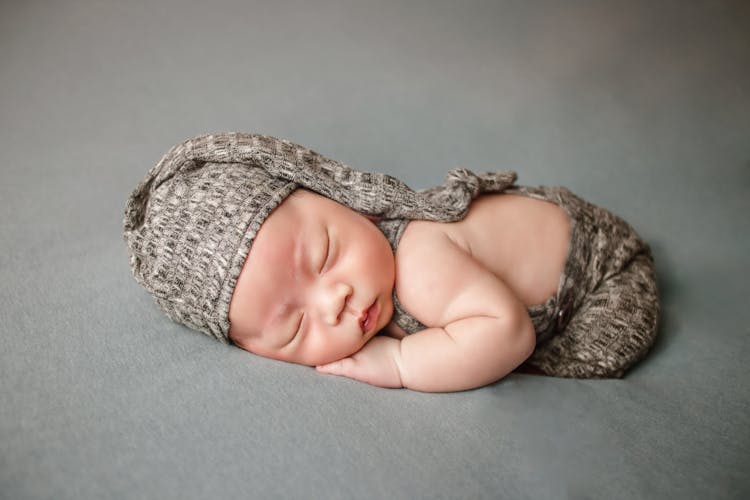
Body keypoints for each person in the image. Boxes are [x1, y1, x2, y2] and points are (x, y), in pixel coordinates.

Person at [123, 133, 660, 392]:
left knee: (601, 353)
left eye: (327, 254)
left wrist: (403, 366)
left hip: (602, 271)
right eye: (295, 327)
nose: (335, 301)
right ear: (252, 348)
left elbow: (509, 333)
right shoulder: (370, 282)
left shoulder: (421, 261)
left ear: (340, 198)